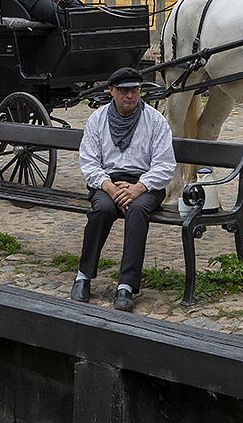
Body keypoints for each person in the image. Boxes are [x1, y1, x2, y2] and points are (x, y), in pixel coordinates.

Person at [71, 66, 175, 312]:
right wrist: (108, 186)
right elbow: (89, 162)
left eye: (135, 91)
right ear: (111, 91)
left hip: (146, 183)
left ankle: (126, 286)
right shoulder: (97, 120)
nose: (129, 96)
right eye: (123, 91)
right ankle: (83, 276)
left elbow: (165, 164)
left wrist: (139, 187)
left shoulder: (155, 121)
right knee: (102, 210)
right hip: (107, 182)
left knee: (137, 211)